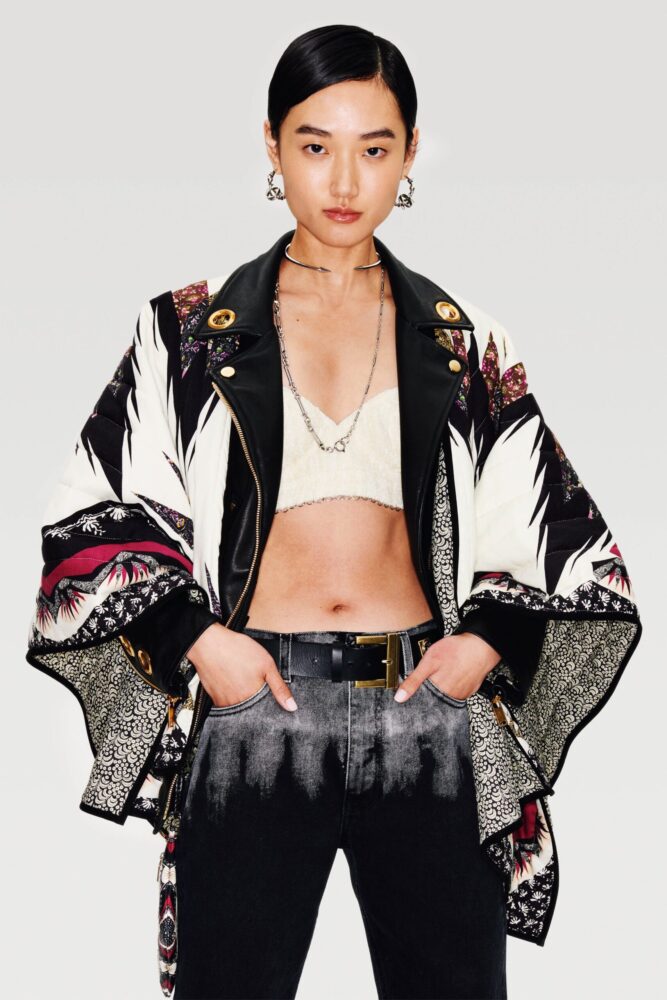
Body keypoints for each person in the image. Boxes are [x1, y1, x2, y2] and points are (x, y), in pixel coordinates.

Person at [25, 23, 643, 1000]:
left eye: (374, 147)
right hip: (256, 708)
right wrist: (200, 643)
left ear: (410, 152)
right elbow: (98, 514)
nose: (345, 179)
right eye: (314, 145)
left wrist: (482, 645)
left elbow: (557, 533)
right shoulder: (187, 331)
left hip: (425, 713)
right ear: (271, 147)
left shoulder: (465, 342)